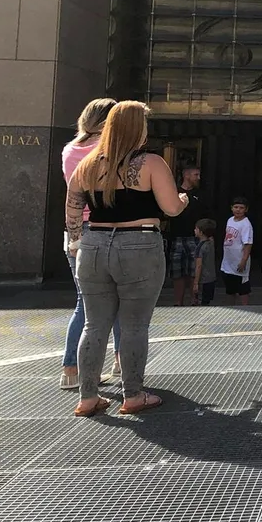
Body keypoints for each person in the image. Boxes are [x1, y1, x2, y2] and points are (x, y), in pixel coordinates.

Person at [66, 101, 188, 416]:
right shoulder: (151, 163)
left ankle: (88, 397)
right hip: (139, 244)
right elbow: (171, 208)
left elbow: (73, 208)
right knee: (134, 324)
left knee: (93, 324)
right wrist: (183, 199)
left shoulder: (88, 164)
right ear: (138, 128)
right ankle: (132, 395)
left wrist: (77, 242)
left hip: (94, 245)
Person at [59, 97, 122, 390]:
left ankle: (70, 369)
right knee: (120, 298)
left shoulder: (70, 149)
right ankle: (123, 361)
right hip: (102, 227)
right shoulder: (108, 151)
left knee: (83, 302)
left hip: (74, 230)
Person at [166, 165, 206, 306]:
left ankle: (194, 300)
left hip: (195, 237)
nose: (198, 178)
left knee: (194, 271)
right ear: (186, 175)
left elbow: (206, 214)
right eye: (196, 175)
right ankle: (178, 302)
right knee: (177, 272)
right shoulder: (174, 192)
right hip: (177, 236)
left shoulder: (200, 194)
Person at [220, 197, 253, 306]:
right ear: (231, 208)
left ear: (246, 209)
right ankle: (231, 308)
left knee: (243, 289)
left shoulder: (246, 224)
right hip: (228, 261)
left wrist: (244, 260)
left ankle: (246, 309)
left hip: (239, 261)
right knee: (230, 289)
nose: (238, 210)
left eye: (241, 208)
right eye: (236, 207)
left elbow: (248, 244)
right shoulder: (230, 220)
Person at [192, 219, 217, 306]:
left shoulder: (200, 247)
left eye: (196, 229)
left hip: (203, 280)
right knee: (207, 301)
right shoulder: (211, 243)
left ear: (201, 232)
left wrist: (195, 283)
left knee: (201, 303)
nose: (194, 230)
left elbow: (199, 265)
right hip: (211, 279)